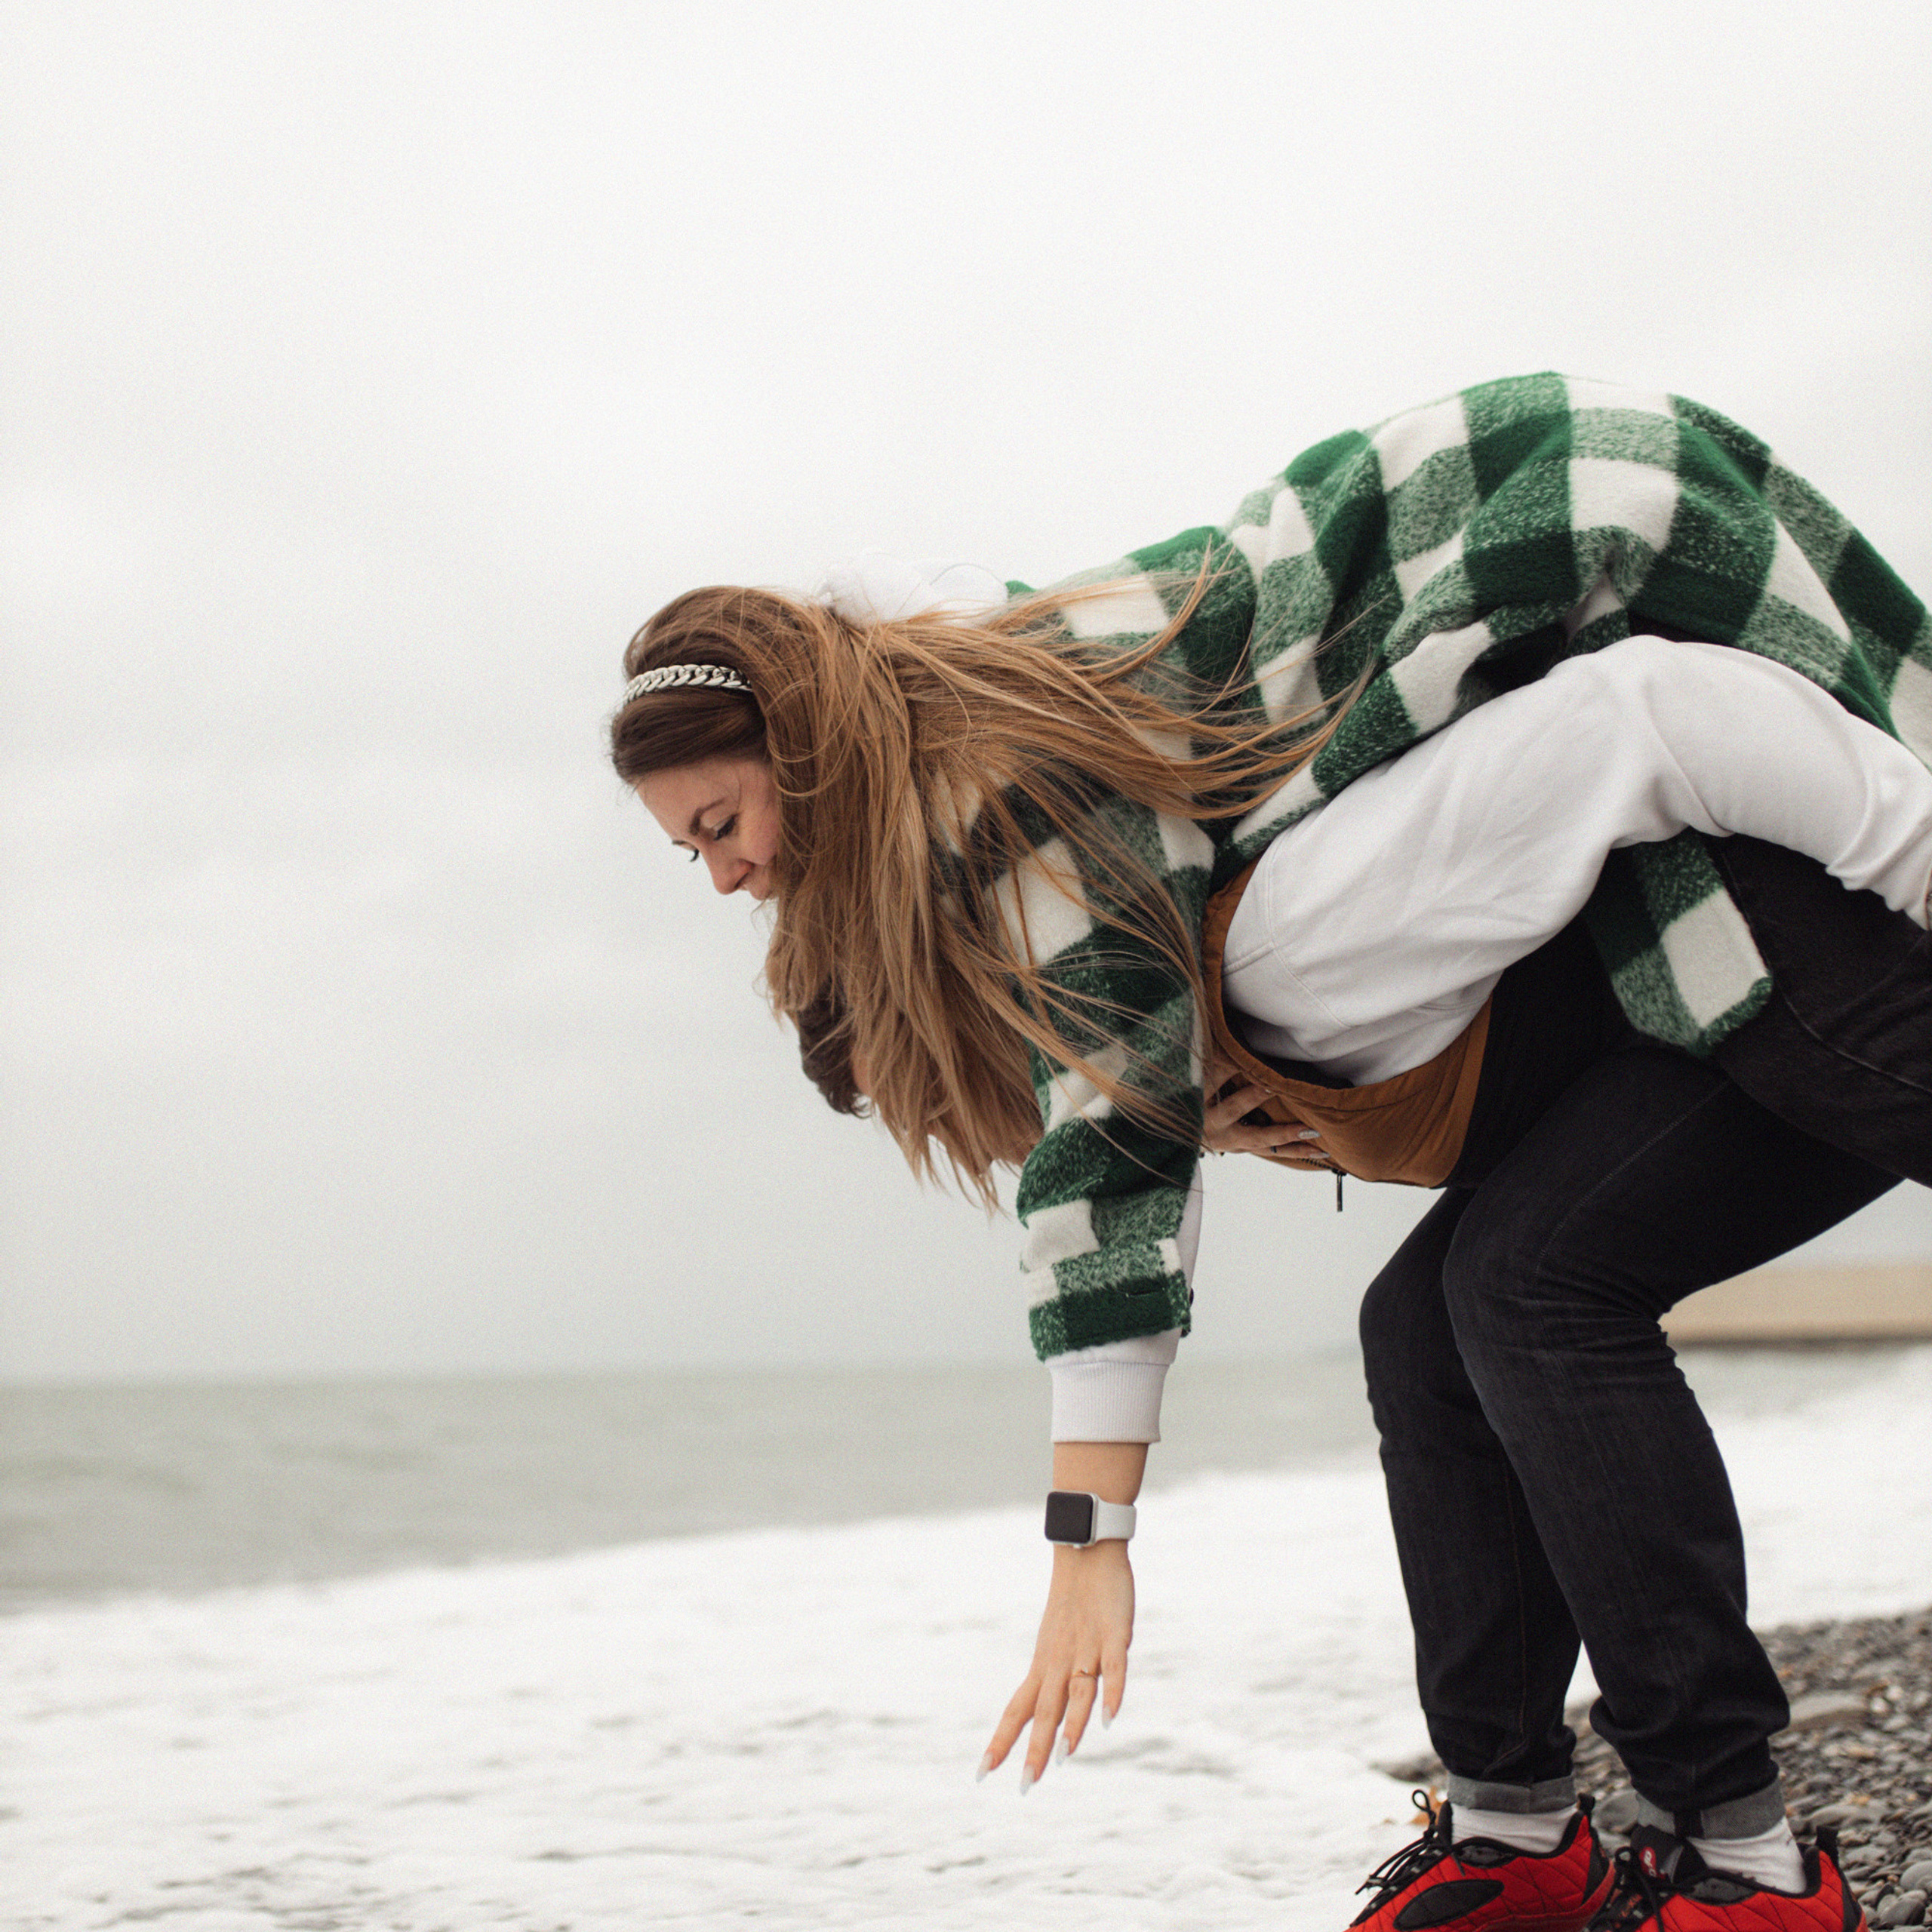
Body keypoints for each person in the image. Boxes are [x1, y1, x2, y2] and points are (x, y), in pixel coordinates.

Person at [608, 376, 1930, 1932]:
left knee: (1517, 1295)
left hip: (1768, 882)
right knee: (1447, 1314)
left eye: (714, 826)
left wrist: (1087, 1540)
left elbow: (1648, 719)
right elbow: (1119, 1093)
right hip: (1689, 967)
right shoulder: (1158, 888)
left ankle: (1746, 1862)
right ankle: (1519, 1828)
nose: (720, 875)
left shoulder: (1251, 931)